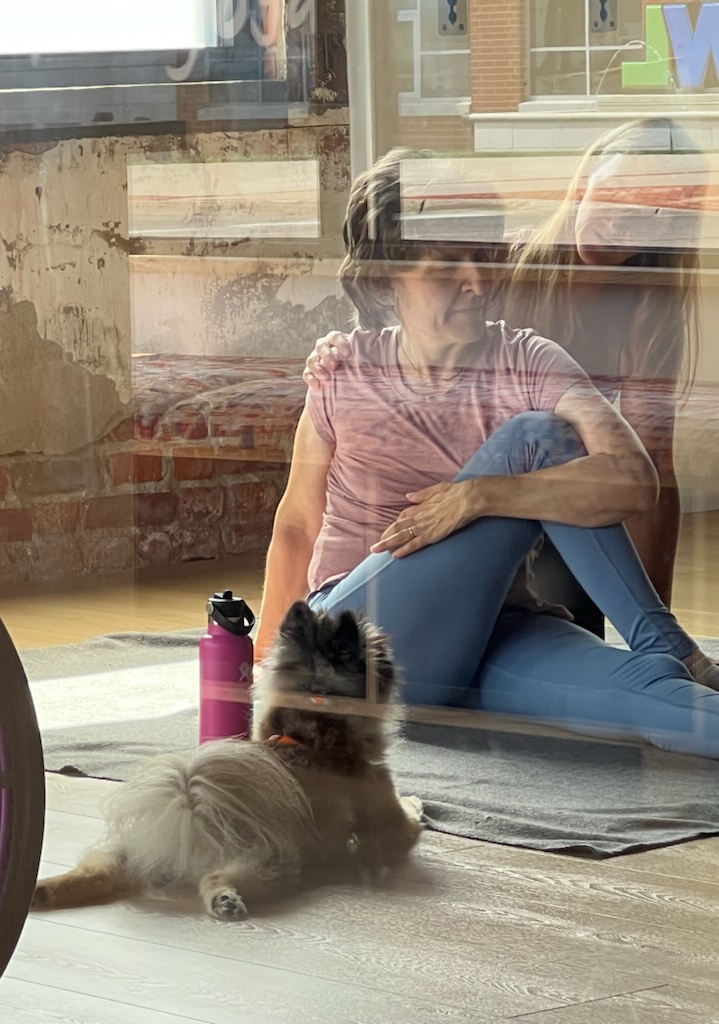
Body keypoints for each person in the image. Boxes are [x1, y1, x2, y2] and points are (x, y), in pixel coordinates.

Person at [256, 147, 719, 760]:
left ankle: (663, 652)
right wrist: (262, 666)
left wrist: (478, 497)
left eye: (485, 254)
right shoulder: (344, 372)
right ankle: (665, 639)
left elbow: (634, 478)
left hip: (496, 637)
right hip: (360, 647)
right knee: (538, 437)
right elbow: (297, 525)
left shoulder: (529, 359)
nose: (477, 281)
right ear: (384, 280)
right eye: (448, 265)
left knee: (651, 694)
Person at [305, 120, 703, 636]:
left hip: (570, 506)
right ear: (585, 182)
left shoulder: (651, 313)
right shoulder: (501, 269)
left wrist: (656, 627)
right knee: (538, 440)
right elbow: (407, 324)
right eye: (615, 194)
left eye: (653, 210)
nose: (623, 220)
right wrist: (335, 349)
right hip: (474, 516)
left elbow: (651, 478)